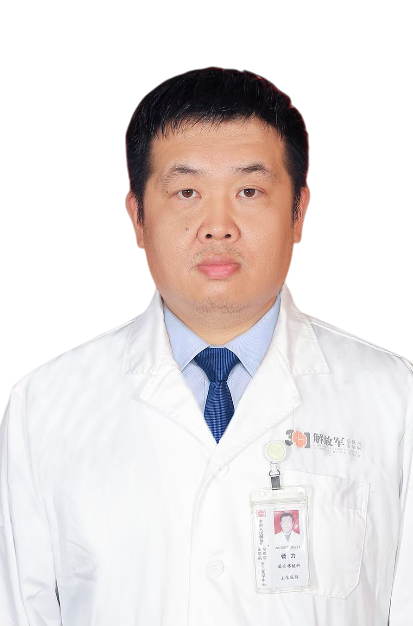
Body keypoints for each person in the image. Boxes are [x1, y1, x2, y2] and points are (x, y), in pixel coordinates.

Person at [0, 68, 411, 626]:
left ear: (299, 213)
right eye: (187, 192)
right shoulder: (44, 405)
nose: (218, 227)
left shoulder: (396, 399)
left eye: (249, 191)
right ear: (137, 218)